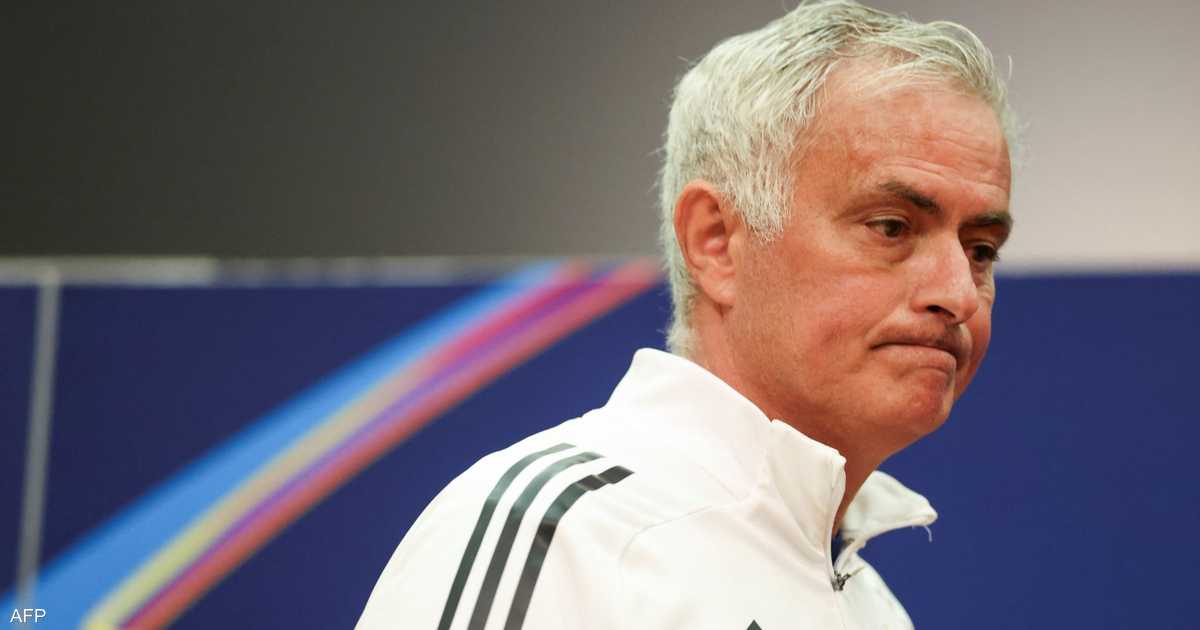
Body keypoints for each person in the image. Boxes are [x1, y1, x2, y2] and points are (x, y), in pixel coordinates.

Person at [357, 1, 1016, 628]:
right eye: (891, 226)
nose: (957, 293)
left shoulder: (874, 608)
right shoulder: (559, 538)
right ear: (716, 242)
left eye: (980, 250)